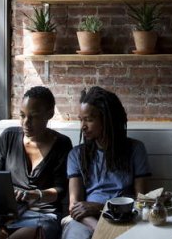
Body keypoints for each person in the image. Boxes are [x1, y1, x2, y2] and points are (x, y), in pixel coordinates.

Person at [61, 86, 151, 239]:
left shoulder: (135, 149)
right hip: (86, 220)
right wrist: (99, 230)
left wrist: (101, 208)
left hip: (124, 217)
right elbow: (74, 207)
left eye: (89, 119)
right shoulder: (76, 155)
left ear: (108, 120)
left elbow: (142, 202)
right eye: (81, 119)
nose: (83, 126)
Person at [0, 86, 73, 239]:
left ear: (50, 114)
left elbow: (61, 190)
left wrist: (35, 195)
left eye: (33, 116)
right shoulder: (8, 137)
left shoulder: (62, 144)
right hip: (10, 213)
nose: (26, 123)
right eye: (22, 115)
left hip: (43, 215)